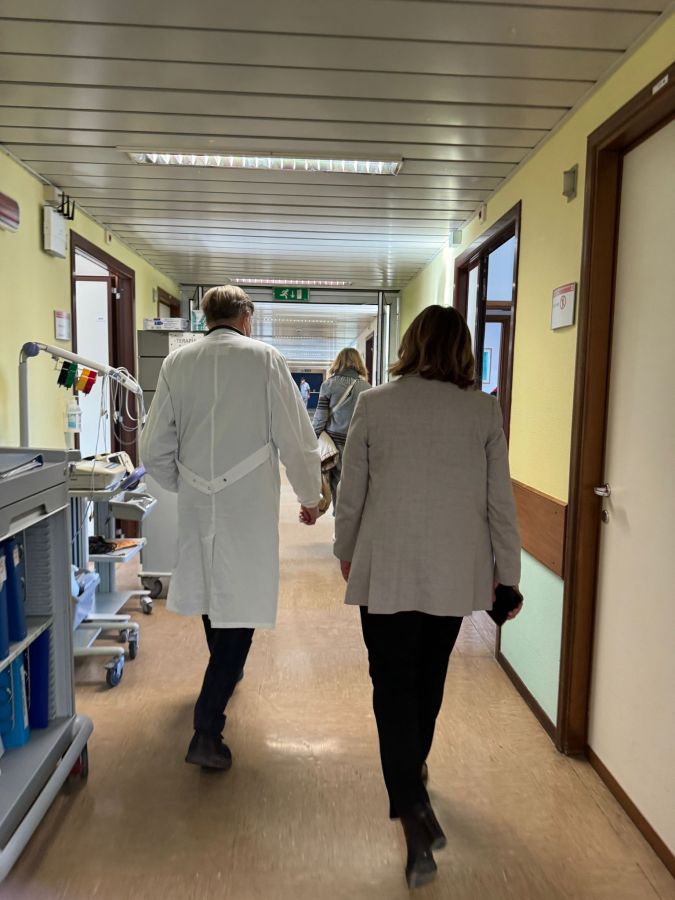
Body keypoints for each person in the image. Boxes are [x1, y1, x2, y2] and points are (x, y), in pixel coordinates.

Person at [334, 305, 522, 889]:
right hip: (452, 574)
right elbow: (500, 502)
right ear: (462, 349)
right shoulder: (483, 410)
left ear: (410, 344)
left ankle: (412, 808)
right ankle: (413, 774)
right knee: (428, 679)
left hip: (386, 569)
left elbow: (351, 492)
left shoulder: (375, 403)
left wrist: (345, 549)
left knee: (391, 685)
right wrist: (508, 574)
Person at [140, 285, 321, 771]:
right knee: (239, 602)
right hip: (248, 504)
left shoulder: (177, 363)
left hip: (199, 500)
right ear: (245, 317)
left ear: (206, 317)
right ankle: (206, 726)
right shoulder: (265, 359)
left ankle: (226, 672)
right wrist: (311, 497)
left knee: (209, 588)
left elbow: (153, 447)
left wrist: (184, 483)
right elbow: (297, 438)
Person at [312, 348, 370, 513]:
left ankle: (340, 520)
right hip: (357, 444)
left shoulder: (328, 385)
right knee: (356, 484)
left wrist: (312, 439)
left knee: (337, 483)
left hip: (335, 445)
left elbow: (320, 418)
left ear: (338, 362)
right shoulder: (367, 387)